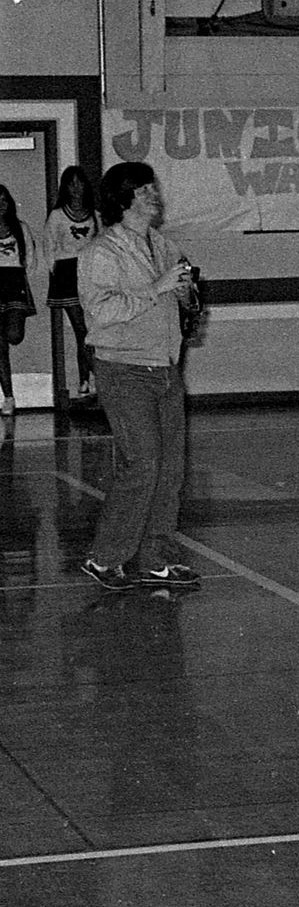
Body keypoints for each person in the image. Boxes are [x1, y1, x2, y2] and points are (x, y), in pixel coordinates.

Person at [76, 162, 201, 589]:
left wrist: (186, 297)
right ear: (123, 199)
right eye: (144, 190)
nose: (154, 196)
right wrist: (157, 288)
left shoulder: (165, 247)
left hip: (165, 366)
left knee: (170, 469)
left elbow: (185, 303)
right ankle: (104, 559)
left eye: (153, 188)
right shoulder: (101, 252)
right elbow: (100, 311)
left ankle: (155, 558)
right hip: (123, 368)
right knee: (142, 463)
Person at [43, 166, 98, 402]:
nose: (76, 188)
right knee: (81, 330)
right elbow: (49, 246)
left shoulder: (94, 214)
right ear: (65, 187)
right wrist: (57, 272)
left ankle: (87, 379)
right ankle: (88, 379)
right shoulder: (57, 216)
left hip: (90, 274)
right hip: (67, 274)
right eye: (71, 183)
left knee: (93, 329)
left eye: (79, 182)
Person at [0, 188, 32, 417]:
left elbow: (29, 256)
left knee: (14, 334)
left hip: (14, 282)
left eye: (4, 200)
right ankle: (9, 397)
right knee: (0, 346)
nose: (1, 204)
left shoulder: (21, 228)